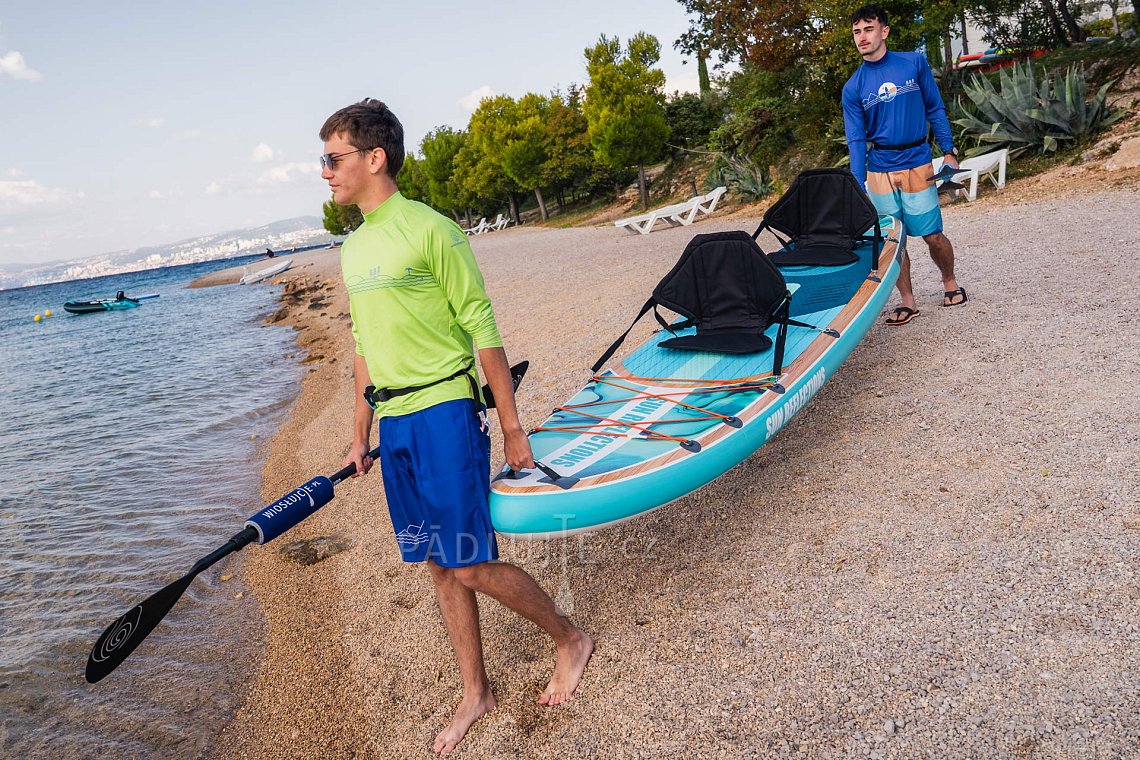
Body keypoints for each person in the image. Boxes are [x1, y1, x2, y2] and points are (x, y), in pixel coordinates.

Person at [320, 99, 593, 756]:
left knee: (469, 564)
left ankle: (569, 638)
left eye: (333, 159)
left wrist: (512, 427)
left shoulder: (432, 231)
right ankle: (477, 692)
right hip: (396, 425)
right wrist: (360, 433)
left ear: (374, 157)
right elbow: (364, 347)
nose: (325, 172)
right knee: (437, 566)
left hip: (445, 413)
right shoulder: (353, 251)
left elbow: (483, 331)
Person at [842, 4, 968, 326]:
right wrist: (859, 185)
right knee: (892, 242)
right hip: (879, 168)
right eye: (857, 31)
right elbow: (856, 140)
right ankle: (907, 301)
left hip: (917, 161)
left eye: (868, 29)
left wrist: (949, 151)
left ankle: (949, 282)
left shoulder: (913, 62)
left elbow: (935, 108)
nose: (862, 37)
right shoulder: (853, 87)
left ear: (884, 30)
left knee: (932, 235)